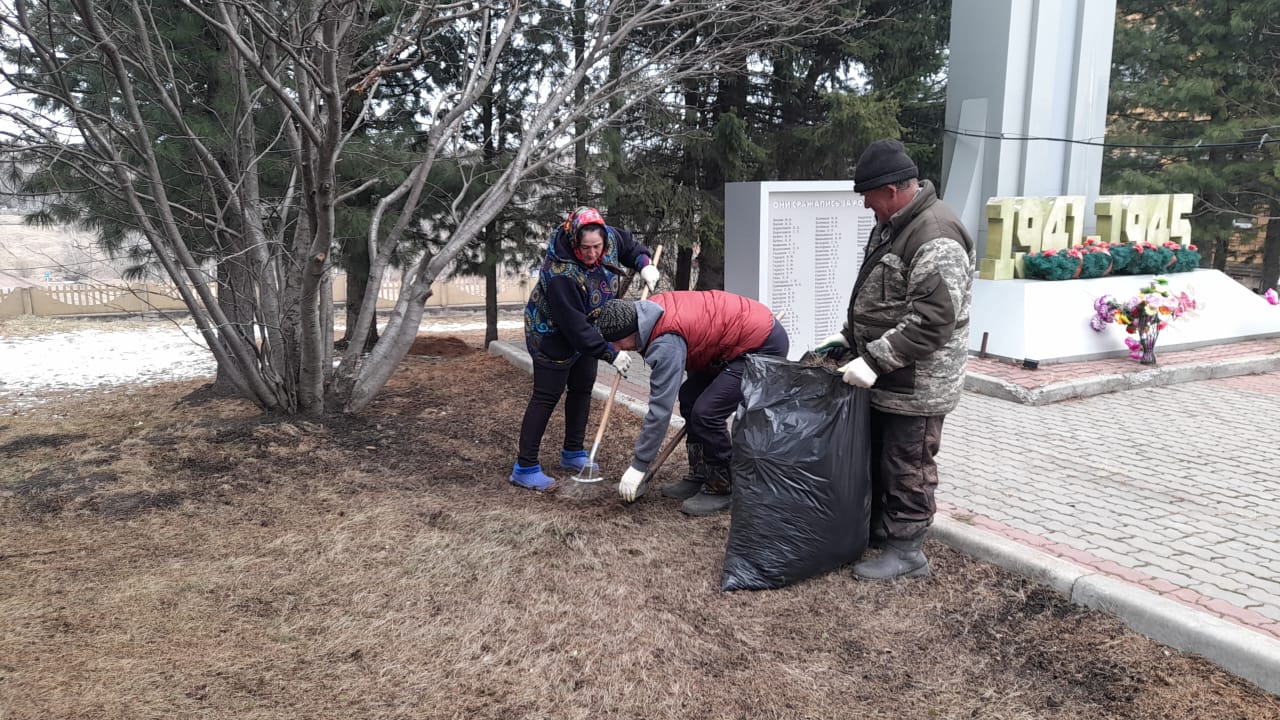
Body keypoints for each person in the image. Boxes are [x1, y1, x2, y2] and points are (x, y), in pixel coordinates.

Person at [816, 138, 976, 580]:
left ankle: (907, 552)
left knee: (908, 464)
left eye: (869, 199)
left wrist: (875, 361)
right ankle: (881, 533)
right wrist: (848, 337)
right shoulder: (894, 224)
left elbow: (932, 320)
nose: (867, 207)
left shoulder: (935, 235)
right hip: (891, 377)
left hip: (917, 382)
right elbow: (883, 299)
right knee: (882, 457)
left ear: (890, 190)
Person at [595, 290, 789, 516]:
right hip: (731, 343)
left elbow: (660, 409)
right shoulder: (646, 313)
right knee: (689, 398)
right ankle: (701, 473)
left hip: (761, 346)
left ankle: (721, 486)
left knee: (707, 413)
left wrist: (639, 465)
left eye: (619, 342)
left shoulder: (665, 342)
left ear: (633, 331)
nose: (617, 349)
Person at [510, 207, 659, 491]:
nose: (592, 254)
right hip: (551, 334)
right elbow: (575, 329)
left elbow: (629, 246)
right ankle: (525, 467)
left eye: (597, 247)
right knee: (546, 395)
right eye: (586, 248)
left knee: (582, 388)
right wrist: (611, 353)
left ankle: (573, 452)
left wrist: (644, 263)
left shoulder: (609, 239)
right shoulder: (560, 274)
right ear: (574, 240)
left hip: (590, 327)